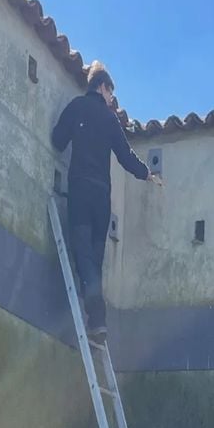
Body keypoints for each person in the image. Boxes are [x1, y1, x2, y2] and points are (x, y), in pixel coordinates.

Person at [52, 61, 162, 345]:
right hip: (102, 198)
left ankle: (96, 317)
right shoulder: (110, 119)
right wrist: (147, 174)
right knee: (95, 261)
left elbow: (57, 141)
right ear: (102, 86)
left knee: (83, 255)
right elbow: (125, 156)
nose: (112, 99)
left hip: (81, 191)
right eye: (111, 93)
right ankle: (96, 321)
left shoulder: (77, 107)